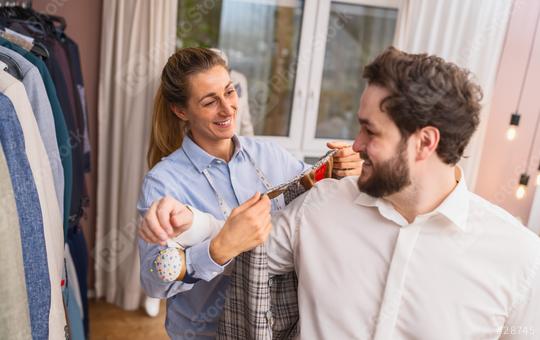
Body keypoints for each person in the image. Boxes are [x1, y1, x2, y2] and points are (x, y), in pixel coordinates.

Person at [141, 47, 540, 339]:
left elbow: (295, 193)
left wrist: (331, 172)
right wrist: (189, 223)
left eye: (371, 130)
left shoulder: (519, 258)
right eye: (209, 101)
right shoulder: (325, 207)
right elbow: (250, 237)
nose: (356, 144)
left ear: (424, 143)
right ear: (181, 110)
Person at [137, 47, 362, 339]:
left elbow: (309, 191)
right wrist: (218, 250)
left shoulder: (270, 156)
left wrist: (342, 167)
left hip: (275, 328)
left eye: (229, 92)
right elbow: (154, 283)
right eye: (209, 101)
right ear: (181, 111)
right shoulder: (163, 183)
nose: (227, 108)